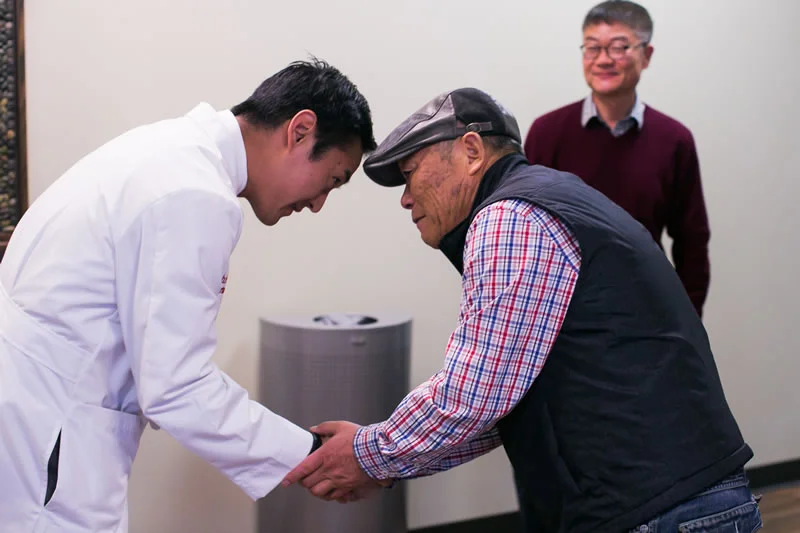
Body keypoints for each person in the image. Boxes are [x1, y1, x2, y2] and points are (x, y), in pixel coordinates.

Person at [282, 88, 761, 532]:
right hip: (676, 502)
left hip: (661, 510)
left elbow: (476, 394)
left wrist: (369, 455)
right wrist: (382, 460)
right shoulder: (548, 198)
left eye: (410, 174)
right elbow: (502, 402)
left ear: (471, 152)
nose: (406, 198)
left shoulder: (509, 217)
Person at [0, 58, 375, 533]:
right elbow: (177, 387)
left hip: (39, 417)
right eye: (333, 179)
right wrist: (311, 455)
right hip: (52, 438)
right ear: (300, 131)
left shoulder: (167, 151)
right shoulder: (193, 194)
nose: (319, 203)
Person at [524, 0, 711, 317]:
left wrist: (686, 323)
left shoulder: (675, 140)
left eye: (619, 47)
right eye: (592, 48)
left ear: (646, 55)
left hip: (646, 312)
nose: (603, 60)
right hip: (561, 315)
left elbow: (691, 242)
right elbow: (525, 230)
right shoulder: (546, 133)